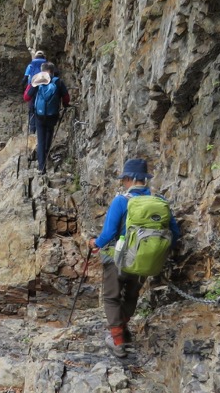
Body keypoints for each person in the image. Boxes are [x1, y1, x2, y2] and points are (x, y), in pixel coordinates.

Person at [89, 158, 181, 357]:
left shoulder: (121, 201)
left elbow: (108, 233)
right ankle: (122, 330)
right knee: (131, 296)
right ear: (144, 180)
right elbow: (174, 233)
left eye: (124, 179)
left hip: (119, 259)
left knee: (112, 298)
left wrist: (94, 244)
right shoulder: (161, 202)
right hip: (146, 261)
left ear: (130, 178)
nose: (123, 183)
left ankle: (117, 340)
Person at [24, 62, 70, 174]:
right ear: (53, 71)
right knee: (49, 134)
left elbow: (26, 97)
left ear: (42, 70)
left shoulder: (37, 81)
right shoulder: (58, 82)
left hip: (39, 115)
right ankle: (46, 155)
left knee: (41, 139)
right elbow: (66, 97)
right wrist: (65, 105)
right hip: (52, 115)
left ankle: (41, 167)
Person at [22, 50, 46, 133]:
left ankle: (32, 129)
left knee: (32, 109)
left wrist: (22, 85)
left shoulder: (31, 65)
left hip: (32, 87)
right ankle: (42, 127)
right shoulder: (46, 65)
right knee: (42, 106)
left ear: (35, 57)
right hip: (43, 88)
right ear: (44, 56)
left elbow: (25, 78)